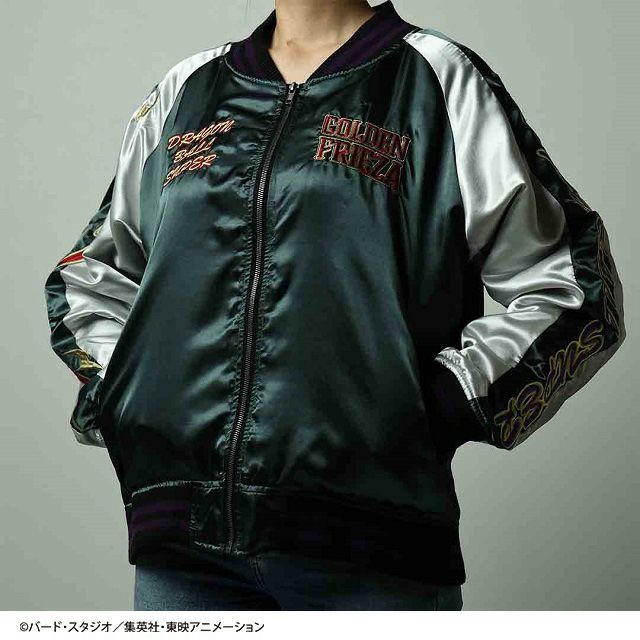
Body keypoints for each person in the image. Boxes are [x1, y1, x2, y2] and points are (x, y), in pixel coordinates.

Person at [43, 0, 626, 611]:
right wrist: (131, 395)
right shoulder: (188, 90)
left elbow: (570, 285)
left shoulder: (436, 77)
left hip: (372, 552)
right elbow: (90, 276)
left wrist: (441, 403)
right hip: (183, 553)